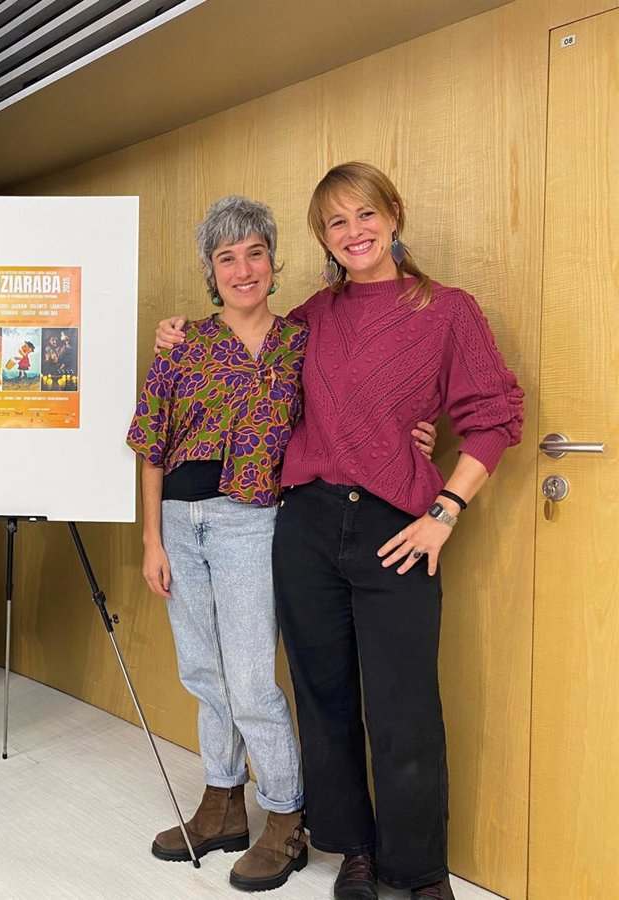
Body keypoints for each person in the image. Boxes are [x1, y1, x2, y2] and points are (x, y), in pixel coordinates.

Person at [156, 163, 522, 900]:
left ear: (394, 215)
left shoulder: (449, 311)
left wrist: (444, 511)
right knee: (324, 699)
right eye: (335, 223)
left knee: (404, 705)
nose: (354, 232)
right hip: (307, 526)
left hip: (397, 528)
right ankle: (353, 851)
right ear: (322, 239)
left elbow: (495, 417)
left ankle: (418, 872)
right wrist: (180, 336)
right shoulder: (309, 320)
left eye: (365, 215)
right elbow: (248, 368)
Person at [127, 196, 310, 892]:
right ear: (211, 272)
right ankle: (222, 802)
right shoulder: (182, 345)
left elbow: (345, 413)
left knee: (252, 680)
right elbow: (151, 443)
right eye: (226, 258)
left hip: (252, 522)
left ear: (272, 261)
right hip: (181, 521)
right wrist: (152, 539)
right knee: (204, 673)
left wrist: (413, 432)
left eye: (254, 253)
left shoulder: (300, 344)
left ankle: (286, 816)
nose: (242, 269)